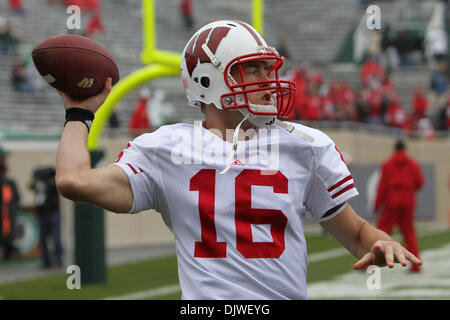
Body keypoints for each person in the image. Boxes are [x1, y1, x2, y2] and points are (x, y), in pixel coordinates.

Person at [55, 20, 422, 299]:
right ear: (207, 80)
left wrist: (379, 242)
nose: (268, 79)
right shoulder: (165, 149)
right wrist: (78, 115)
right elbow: (73, 181)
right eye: (252, 69)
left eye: (267, 68)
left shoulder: (304, 146)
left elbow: (356, 233)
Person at [374, 140, 424, 272]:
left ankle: (370, 263)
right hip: (407, 204)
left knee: (380, 233)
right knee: (409, 234)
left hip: (392, 203)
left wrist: (377, 204)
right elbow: (419, 182)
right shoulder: (413, 164)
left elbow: (382, 187)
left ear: (394, 149)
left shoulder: (387, 165)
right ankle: (416, 265)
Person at [30, 166, 63, 268]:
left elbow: (54, 174)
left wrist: (48, 175)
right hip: (42, 214)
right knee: (42, 239)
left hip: (53, 213)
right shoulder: (38, 185)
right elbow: (30, 185)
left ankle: (59, 260)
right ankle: (46, 261)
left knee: (56, 237)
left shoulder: (52, 183)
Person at [0, 147, 20, 261]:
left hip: (9, 212)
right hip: (4, 213)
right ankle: (6, 253)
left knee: (9, 232)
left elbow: (16, 198)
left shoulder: (10, 182)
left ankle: (9, 253)